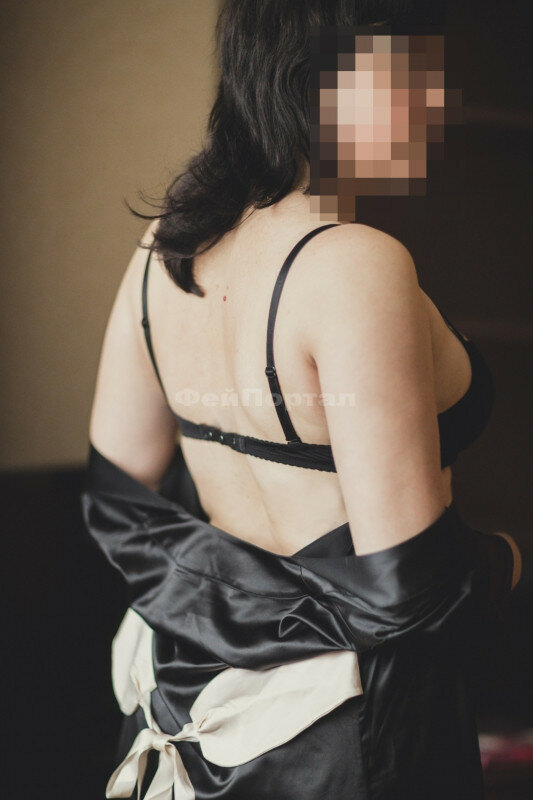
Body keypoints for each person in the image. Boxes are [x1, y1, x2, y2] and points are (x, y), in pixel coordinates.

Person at [81, 2, 522, 798]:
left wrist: (220, 612)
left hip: (191, 687)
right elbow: (409, 581)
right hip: (353, 721)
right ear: (312, 77)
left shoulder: (168, 243)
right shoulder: (353, 263)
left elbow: (118, 495)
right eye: (408, 72)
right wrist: (507, 559)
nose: (437, 100)